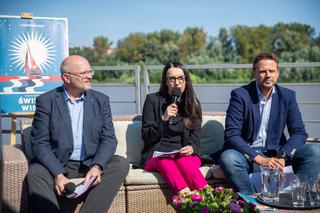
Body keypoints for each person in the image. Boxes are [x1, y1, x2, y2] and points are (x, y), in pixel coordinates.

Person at [27, 55, 130, 213]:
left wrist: (97, 166)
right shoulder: (46, 101)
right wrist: (58, 173)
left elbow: (108, 139)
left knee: (120, 164)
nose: (89, 76)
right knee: (35, 172)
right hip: (59, 162)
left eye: (90, 72)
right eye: (84, 73)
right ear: (67, 77)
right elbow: (40, 143)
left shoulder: (101, 100)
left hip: (89, 162)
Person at [219, 51, 320, 194]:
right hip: (249, 157)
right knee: (228, 158)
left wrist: (283, 155)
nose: (268, 75)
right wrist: (258, 158)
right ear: (254, 73)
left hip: (277, 155)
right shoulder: (240, 95)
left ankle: (299, 196)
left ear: (277, 73)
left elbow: (299, 132)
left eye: (272, 71)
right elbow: (231, 134)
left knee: (315, 151)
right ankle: (251, 200)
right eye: (262, 71)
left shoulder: (287, 96)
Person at [141, 61, 207, 196]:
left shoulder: (193, 104)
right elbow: (146, 136)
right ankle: (189, 200)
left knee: (184, 162)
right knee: (166, 161)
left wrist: (192, 147)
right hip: (158, 155)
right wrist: (163, 118)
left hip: (183, 154)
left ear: (186, 81)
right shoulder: (152, 100)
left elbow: (196, 136)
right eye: (171, 79)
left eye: (180, 78)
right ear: (165, 82)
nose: (176, 83)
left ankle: (209, 198)